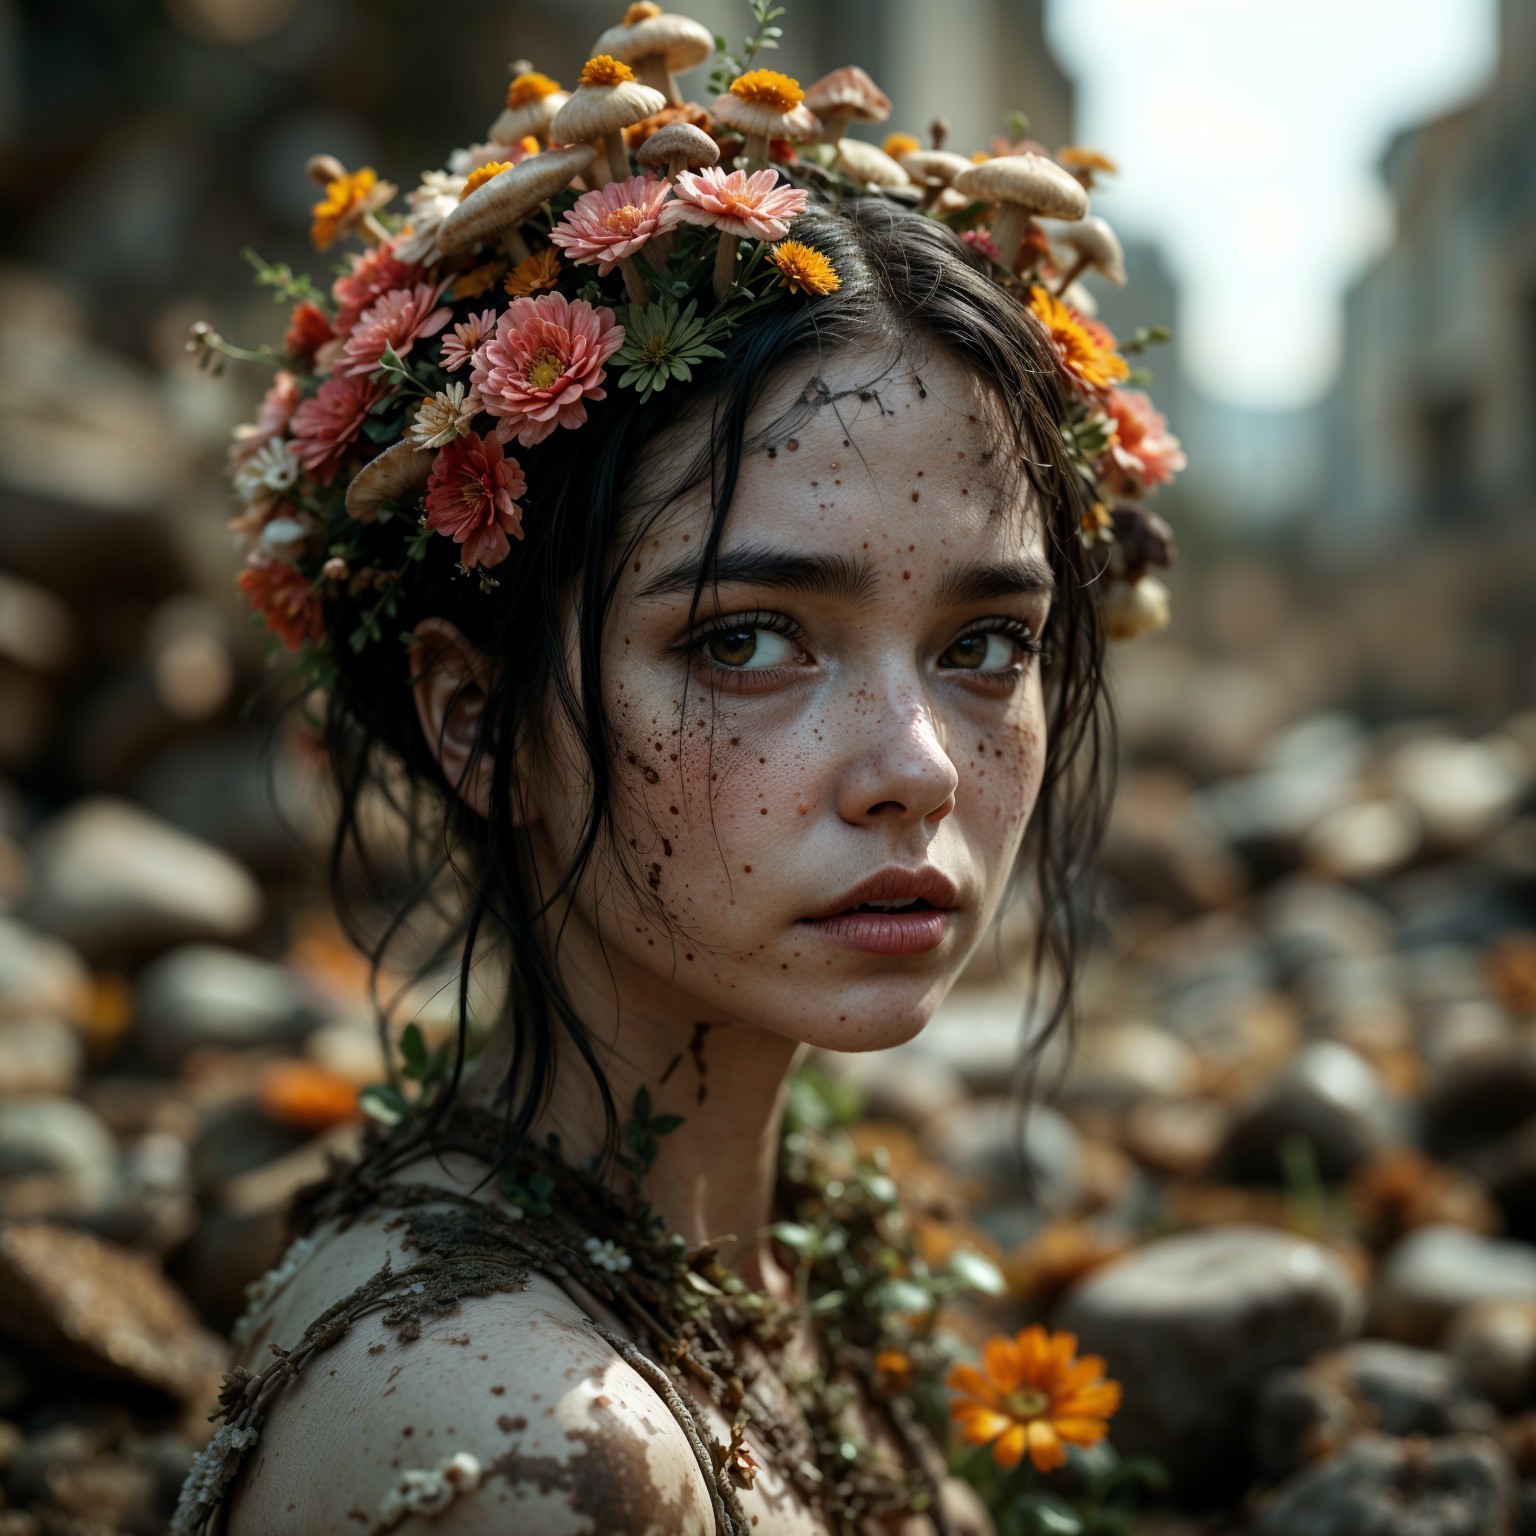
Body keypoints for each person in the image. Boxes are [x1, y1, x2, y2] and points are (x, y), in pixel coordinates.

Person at [177, 16, 1178, 1535]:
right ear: (472, 719)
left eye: (987, 645)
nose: (915, 771)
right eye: (750, 639)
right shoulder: (529, 1455)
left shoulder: (781, 1237)